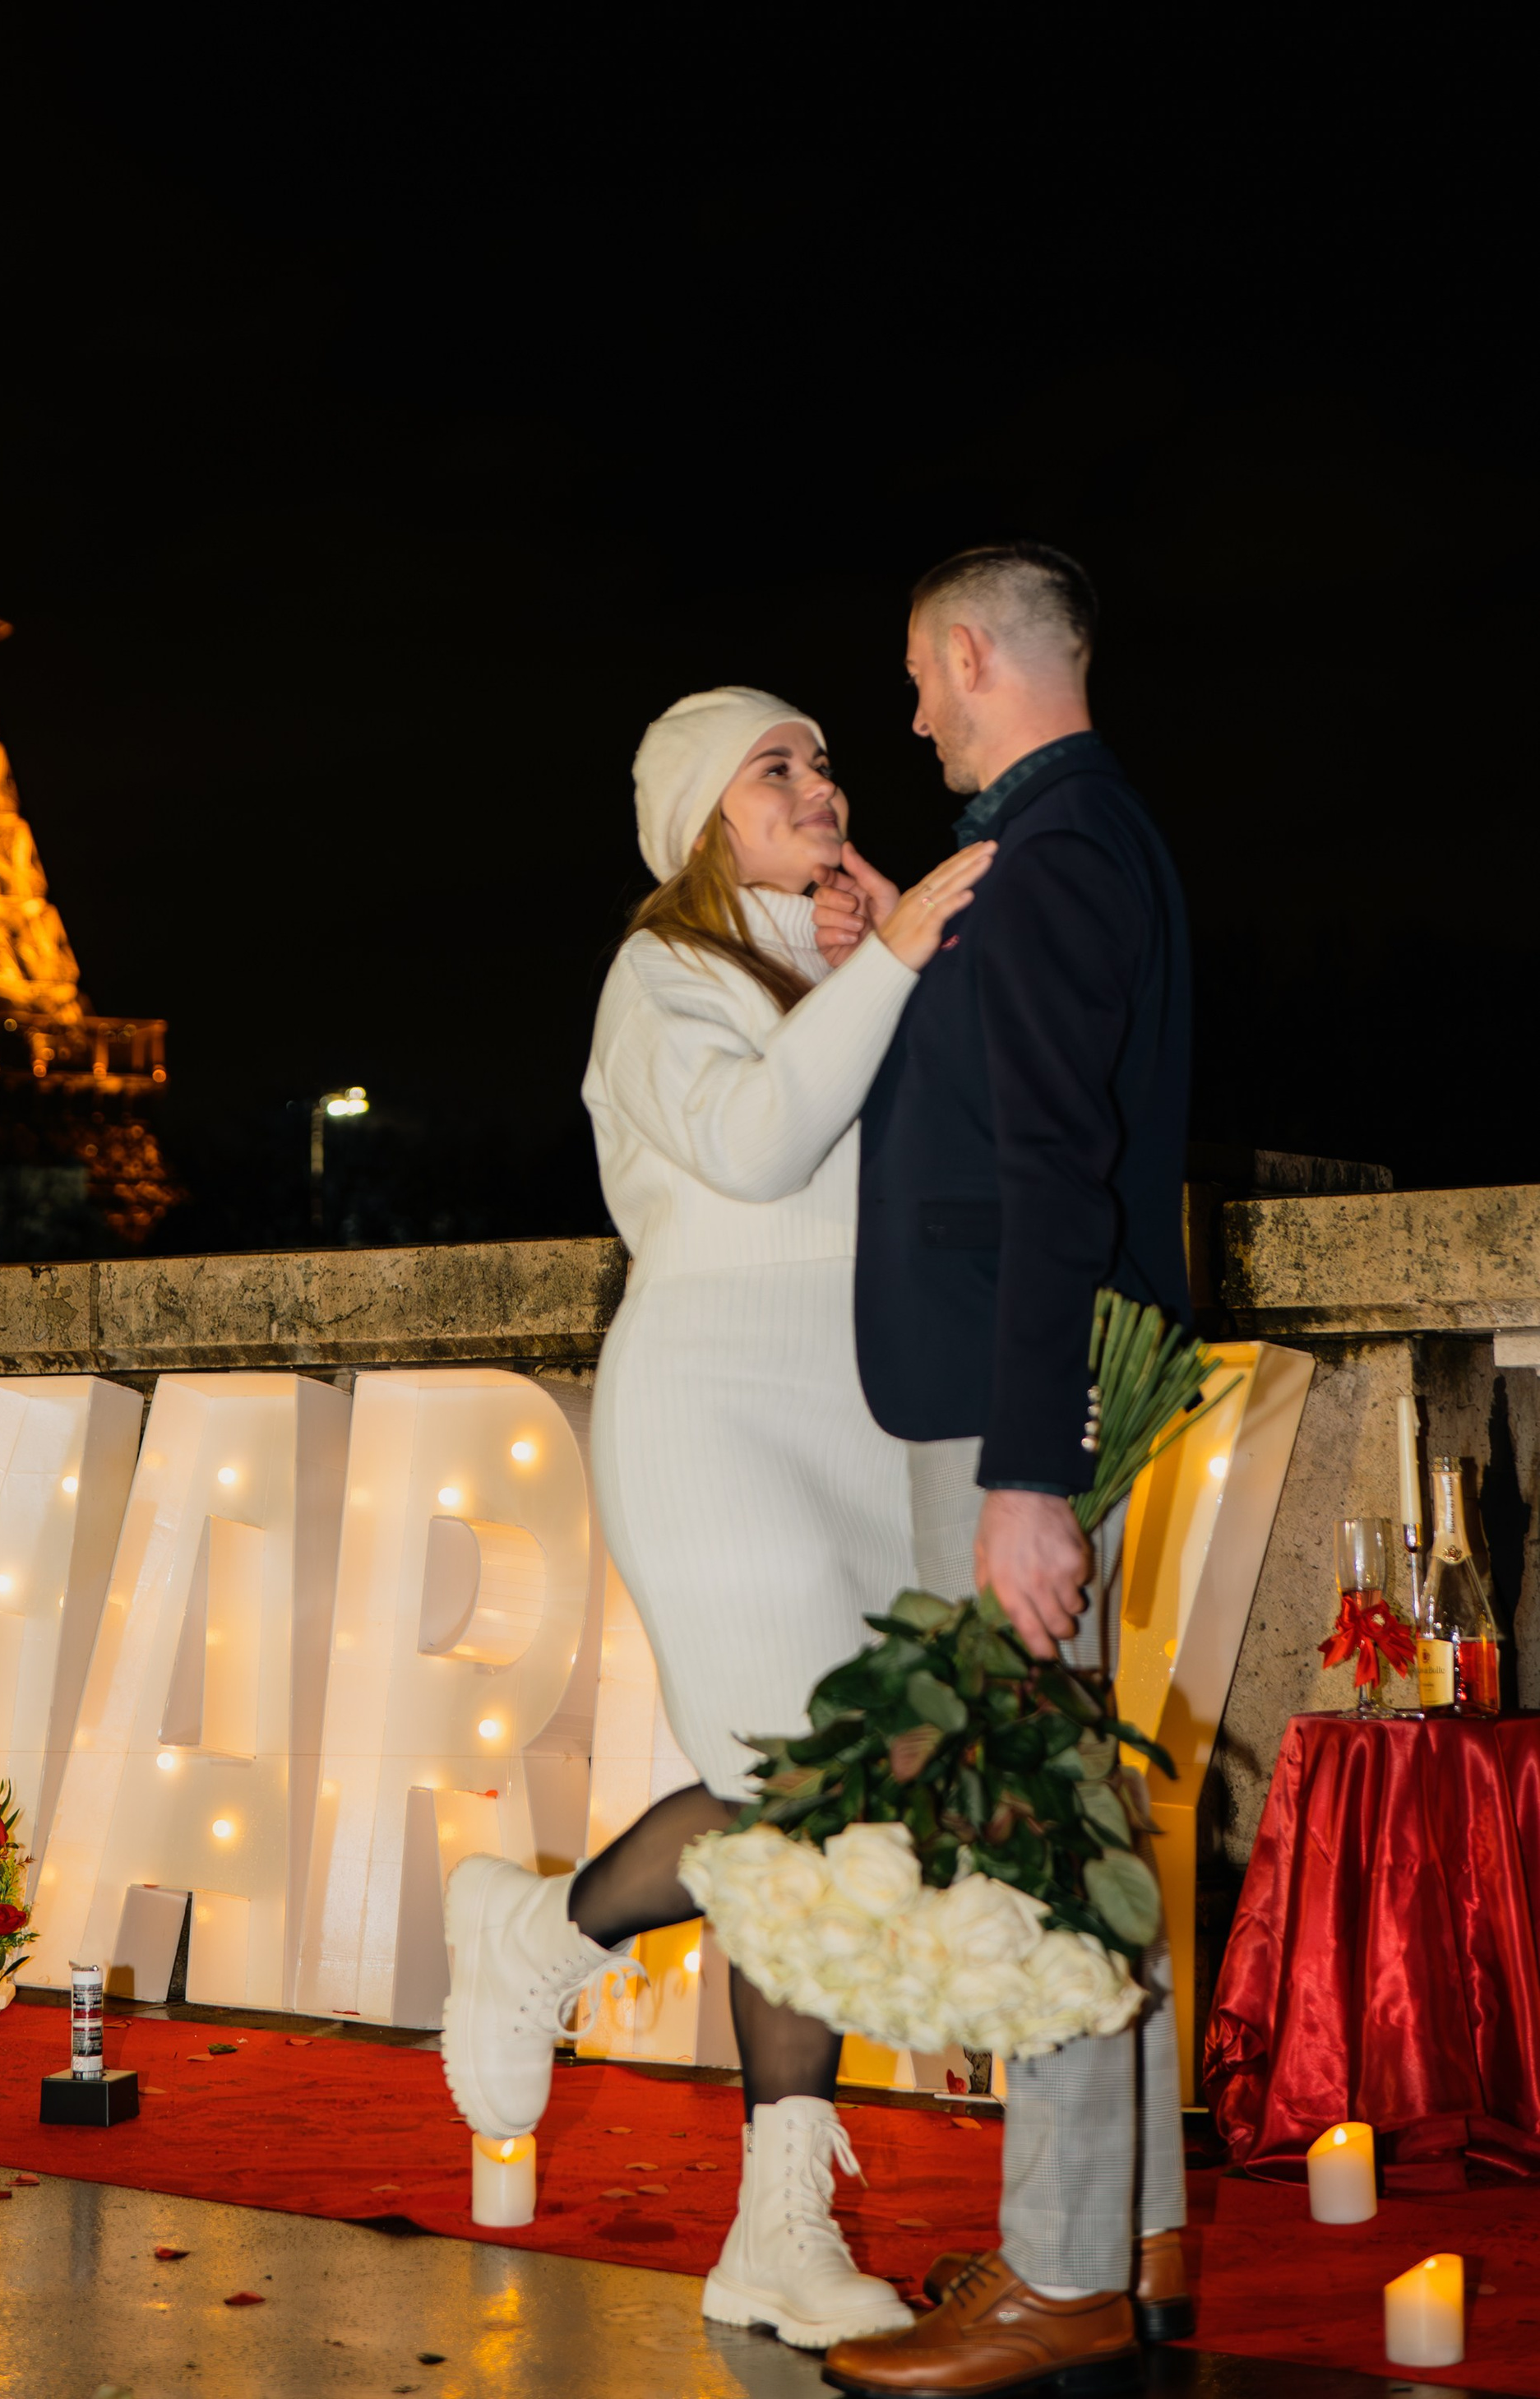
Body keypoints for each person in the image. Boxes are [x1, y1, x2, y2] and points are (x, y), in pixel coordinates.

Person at [440, 685, 993, 2354]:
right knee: (799, 1798)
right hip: (713, 1420)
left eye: (825, 760)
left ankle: (550, 1941)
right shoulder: (657, 976)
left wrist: (895, 951)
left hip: (858, 1424)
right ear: (702, 818)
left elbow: (956, 1157)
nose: (820, 783)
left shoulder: (843, 957)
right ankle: (583, 1994)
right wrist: (891, 965)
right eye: (778, 767)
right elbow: (756, 1150)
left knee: (823, 1808)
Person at [822, 544, 1192, 2399]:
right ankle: (1117, 2224)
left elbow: (1053, 1174)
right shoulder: (1065, 849)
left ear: (970, 654)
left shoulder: (1053, 856)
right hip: (1019, 1383)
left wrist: (1023, 1474)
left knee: (1034, 1840)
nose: (904, 715)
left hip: (1006, 1399)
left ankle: (1057, 2277)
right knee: (1066, 1821)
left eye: (913, 677)